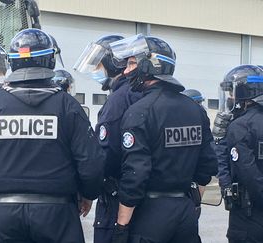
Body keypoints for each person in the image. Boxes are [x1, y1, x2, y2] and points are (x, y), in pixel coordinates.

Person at [0, 29, 105, 243]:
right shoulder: (68, 106)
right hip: (58, 215)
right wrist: (88, 194)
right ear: (49, 60)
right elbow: (91, 162)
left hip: (4, 214)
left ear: (13, 62)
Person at [109, 34, 218, 243]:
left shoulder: (139, 112)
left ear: (150, 66)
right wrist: (192, 204)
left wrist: (121, 224)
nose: (125, 71)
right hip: (186, 212)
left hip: (150, 215)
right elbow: (208, 166)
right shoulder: (195, 110)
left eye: (132, 63)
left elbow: (135, 173)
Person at [74, 34, 142, 243]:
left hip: (116, 198)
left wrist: (88, 190)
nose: (97, 71)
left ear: (115, 64)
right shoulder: (139, 93)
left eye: (100, 65)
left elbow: (105, 155)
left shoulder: (118, 100)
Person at [218, 64, 263, 243]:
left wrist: (219, 141)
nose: (230, 97)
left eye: (231, 92)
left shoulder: (240, 126)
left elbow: (247, 174)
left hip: (250, 214)